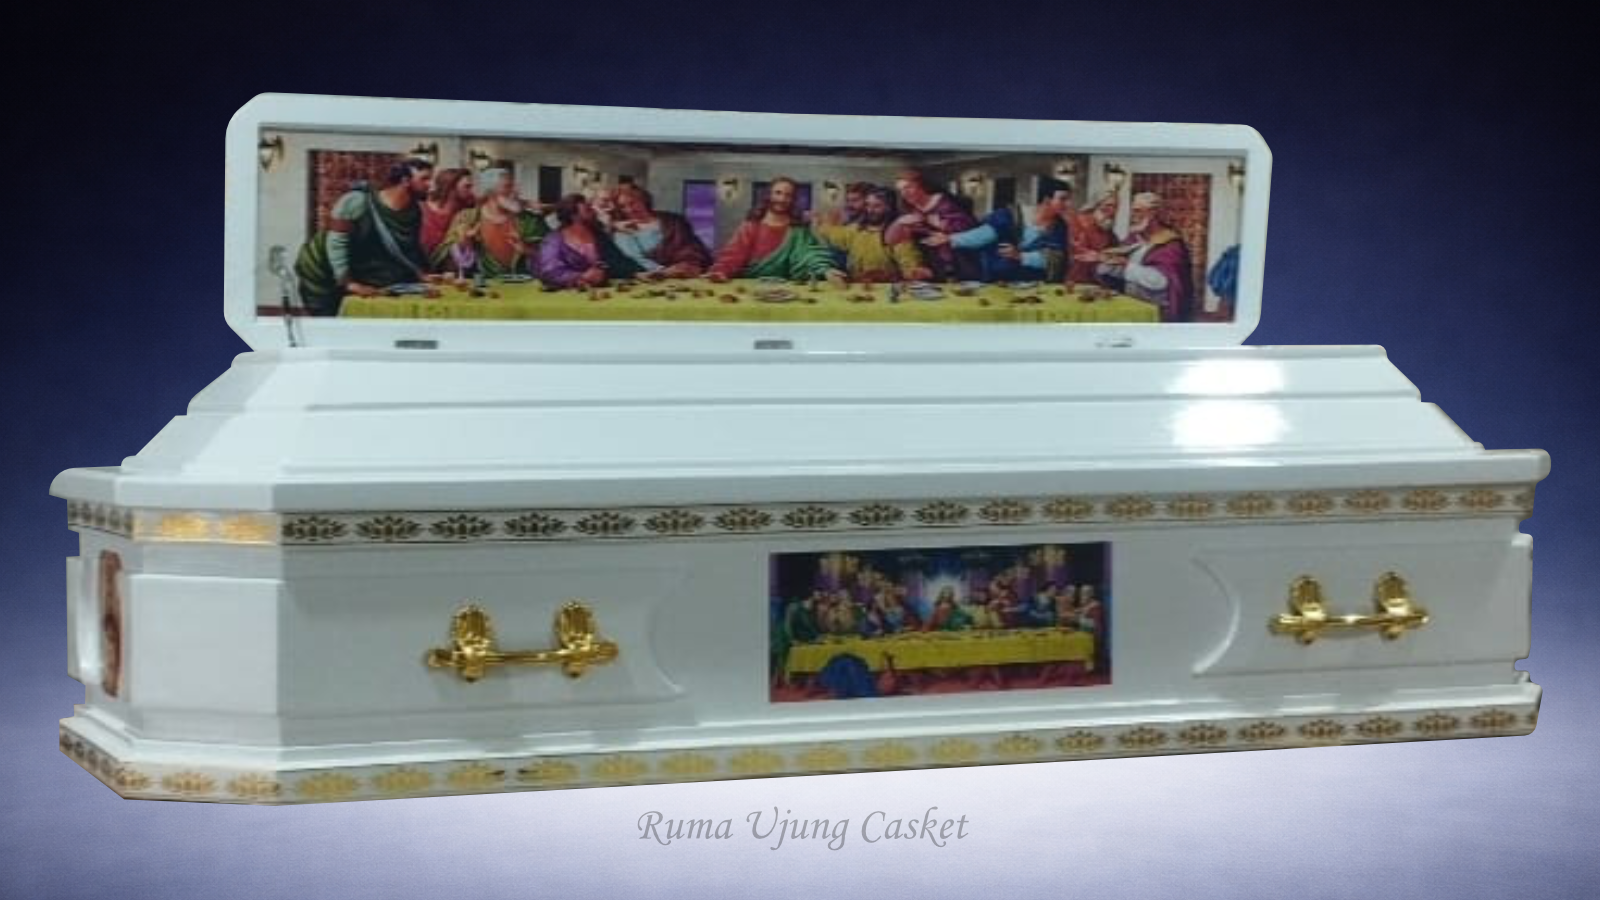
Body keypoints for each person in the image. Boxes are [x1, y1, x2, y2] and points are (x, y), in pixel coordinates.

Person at [293, 157, 434, 315]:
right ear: (405, 181)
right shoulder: (356, 201)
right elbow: (337, 245)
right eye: (425, 179)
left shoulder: (414, 211)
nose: (431, 185)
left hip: (362, 270)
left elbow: (408, 248)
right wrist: (349, 283)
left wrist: (420, 273)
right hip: (324, 273)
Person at [922, 177, 1072, 282]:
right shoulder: (1010, 215)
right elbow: (983, 235)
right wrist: (951, 239)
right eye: (1063, 199)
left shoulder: (1060, 226)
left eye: (1068, 199)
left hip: (1033, 283)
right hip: (999, 280)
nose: (1068, 204)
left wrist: (1021, 257)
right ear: (1046, 200)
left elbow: (1056, 259)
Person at [708, 176, 844, 282]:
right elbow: (733, 255)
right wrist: (720, 271)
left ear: (793, 199)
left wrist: (826, 270)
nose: (782, 199)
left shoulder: (798, 230)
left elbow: (811, 254)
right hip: (751, 286)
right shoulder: (751, 226)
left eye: (788, 195)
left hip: (787, 289)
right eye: (778, 193)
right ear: (769, 195)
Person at [1085, 191, 1196, 320]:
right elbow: (1120, 272)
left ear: (1153, 213)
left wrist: (1125, 265)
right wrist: (1103, 261)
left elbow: (1160, 282)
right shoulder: (1134, 239)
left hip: (1157, 311)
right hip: (1132, 306)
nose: (1133, 216)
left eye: (1138, 211)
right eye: (1133, 211)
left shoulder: (1170, 244)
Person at [433, 168, 549, 278]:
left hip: (525, 286)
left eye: (515, 187)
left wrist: (528, 250)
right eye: (508, 187)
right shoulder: (466, 218)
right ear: (490, 192)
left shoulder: (531, 220)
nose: (516, 192)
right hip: (483, 287)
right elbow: (446, 264)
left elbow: (554, 255)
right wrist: (464, 243)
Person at [811, 186, 929, 282]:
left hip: (885, 289)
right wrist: (820, 223)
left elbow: (909, 260)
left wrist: (914, 272)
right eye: (867, 204)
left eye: (877, 206)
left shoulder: (897, 234)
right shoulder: (857, 229)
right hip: (857, 286)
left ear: (889, 208)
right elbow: (835, 235)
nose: (870, 210)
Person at [887, 170, 980, 281]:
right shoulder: (908, 209)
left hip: (960, 258)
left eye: (908, 187)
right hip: (931, 263)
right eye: (901, 190)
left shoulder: (946, 203)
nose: (904, 193)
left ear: (922, 186)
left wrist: (934, 222)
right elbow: (891, 240)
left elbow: (969, 227)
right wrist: (899, 222)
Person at [536, 193, 643, 289]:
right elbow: (549, 271)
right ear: (574, 216)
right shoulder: (554, 241)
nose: (594, 212)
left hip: (603, 291)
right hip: (567, 295)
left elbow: (618, 260)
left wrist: (637, 273)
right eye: (588, 210)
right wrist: (580, 276)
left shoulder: (599, 235)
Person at [611, 184, 713, 277]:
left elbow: (692, 247)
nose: (629, 209)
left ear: (643, 199)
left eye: (633, 203)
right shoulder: (622, 230)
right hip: (651, 276)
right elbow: (633, 258)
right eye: (623, 207)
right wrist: (664, 271)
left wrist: (691, 263)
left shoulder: (673, 221)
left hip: (686, 272)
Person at [420, 168, 475, 262]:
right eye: (467, 186)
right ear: (451, 188)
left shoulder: (466, 212)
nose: (471, 191)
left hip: (452, 266)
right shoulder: (422, 210)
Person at [1068, 191, 1121, 284]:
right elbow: (1078, 252)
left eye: (1115, 206)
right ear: (1097, 205)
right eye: (1108, 205)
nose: (1112, 210)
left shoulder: (1108, 229)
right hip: (1079, 279)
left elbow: (1116, 249)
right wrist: (1102, 257)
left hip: (1099, 279)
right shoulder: (1081, 223)